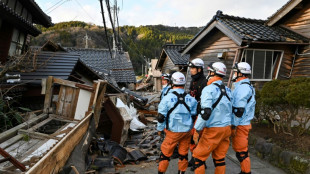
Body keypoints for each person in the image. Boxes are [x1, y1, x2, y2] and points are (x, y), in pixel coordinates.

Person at [192, 62, 232, 174]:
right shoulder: (228, 90)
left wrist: (197, 129)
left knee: (198, 158)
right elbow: (231, 111)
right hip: (226, 128)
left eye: (209, 71)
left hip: (213, 129)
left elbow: (205, 112)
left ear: (212, 73)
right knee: (219, 159)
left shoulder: (208, 89)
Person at [157, 72, 198, 174]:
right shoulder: (191, 99)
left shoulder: (166, 98)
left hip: (172, 132)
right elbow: (193, 115)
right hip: (187, 131)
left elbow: (161, 117)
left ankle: (161, 172)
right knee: (183, 154)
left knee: (165, 155)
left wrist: (160, 129)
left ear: (171, 82)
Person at [231, 62, 256, 174]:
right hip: (242, 122)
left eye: (236, 71)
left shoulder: (243, 88)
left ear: (241, 73)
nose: (234, 73)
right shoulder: (244, 86)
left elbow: (239, 110)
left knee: (241, 151)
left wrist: (233, 125)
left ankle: (246, 172)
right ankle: (244, 171)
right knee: (239, 149)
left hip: (240, 124)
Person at [187, 58, 208, 168]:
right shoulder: (193, 81)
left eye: (193, 68)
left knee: (198, 139)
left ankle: (201, 162)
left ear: (199, 69)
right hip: (192, 114)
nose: (191, 70)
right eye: (191, 68)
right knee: (191, 139)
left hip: (200, 115)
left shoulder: (204, 82)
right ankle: (193, 157)